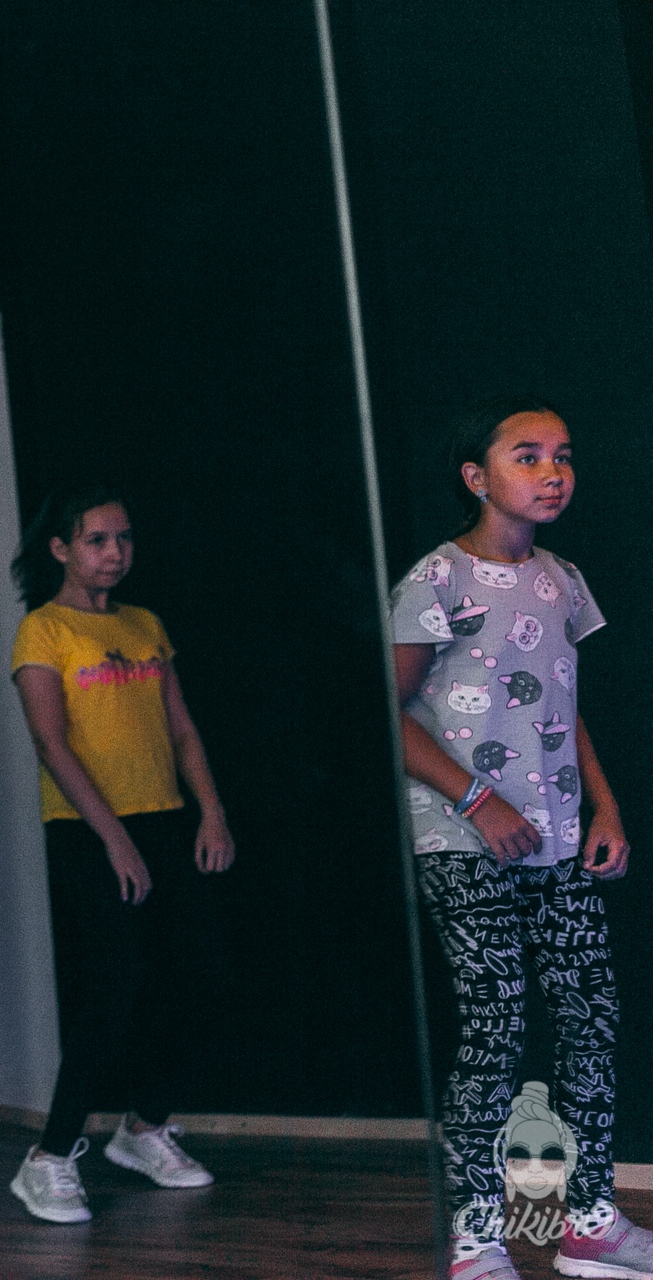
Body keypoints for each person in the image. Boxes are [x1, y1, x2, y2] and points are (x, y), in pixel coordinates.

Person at [389, 396, 648, 1280]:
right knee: (496, 1022)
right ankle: (476, 1233)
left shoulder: (562, 579)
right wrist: (478, 802)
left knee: (590, 1016)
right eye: (527, 456)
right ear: (476, 476)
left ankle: (587, 1222)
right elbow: (386, 712)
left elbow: (563, 708)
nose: (552, 472)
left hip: (556, 837)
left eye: (562, 455)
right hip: (462, 838)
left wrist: (605, 808)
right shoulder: (437, 579)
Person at [6, 484, 234, 1224]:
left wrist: (211, 812)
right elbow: (51, 743)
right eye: (97, 540)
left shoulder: (144, 624)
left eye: (124, 538)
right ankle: (48, 1158)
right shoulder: (43, 630)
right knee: (115, 987)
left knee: (197, 975)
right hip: (88, 831)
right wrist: (114, 840)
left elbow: (183, 730)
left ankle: (144, 1130)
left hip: (165, 821)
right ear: (60, 549)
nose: (115, 553)